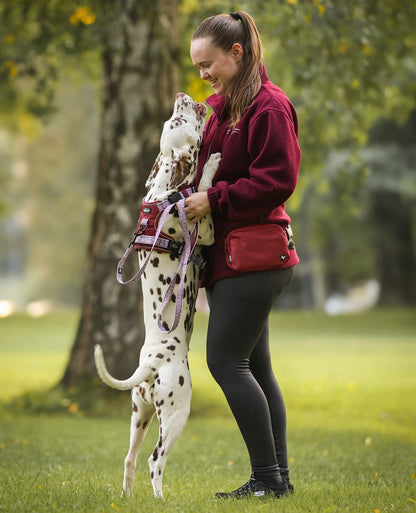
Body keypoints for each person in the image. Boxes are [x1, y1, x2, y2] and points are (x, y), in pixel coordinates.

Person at [185, 11, 301, 499]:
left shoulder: (268, 108)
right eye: (197, 66)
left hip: (252, 256)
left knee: (226, 362)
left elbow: (279, 180)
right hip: (236, 258)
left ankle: (268, 479)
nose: (203, 74)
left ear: (237, 53)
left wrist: (213, 200)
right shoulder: (228, 110)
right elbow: (206, 172)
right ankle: (278, 480)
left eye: (209, 63)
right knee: (255, 368)